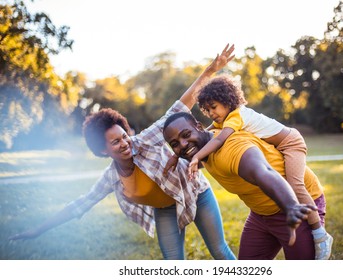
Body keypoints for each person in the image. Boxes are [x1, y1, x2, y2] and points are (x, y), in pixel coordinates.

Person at [8, 44, 236, 260]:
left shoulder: (143, 141)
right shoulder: (111, 177)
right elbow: (81, 204)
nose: (125, 143)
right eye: (115, 142)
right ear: (102, 150)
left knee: (218, 250)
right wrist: (37, 230)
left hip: (196, 192)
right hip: (165, 209)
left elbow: (180, 106)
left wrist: (210, 70)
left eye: (124, 136)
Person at [189, 74, 332, 259]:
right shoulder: (222, 120)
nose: (211, 113)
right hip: (275, 161)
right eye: (206, 110)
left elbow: (220, 138)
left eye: (213, 107)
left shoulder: (235, 116)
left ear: (227, 100)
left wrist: (197, 156)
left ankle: (320, 234)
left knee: (295, 185)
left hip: (291, 142)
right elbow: (207, 132)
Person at [163, 112, 330, 260]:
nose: (183, 144)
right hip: (261, 214)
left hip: (294, 206)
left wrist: (291, 206)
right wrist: (177, 156)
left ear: (199, 126)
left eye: (186, 134)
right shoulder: (204, 146)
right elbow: (189, 147)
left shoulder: (231, 149)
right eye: (175, 144)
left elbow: (263, 172)